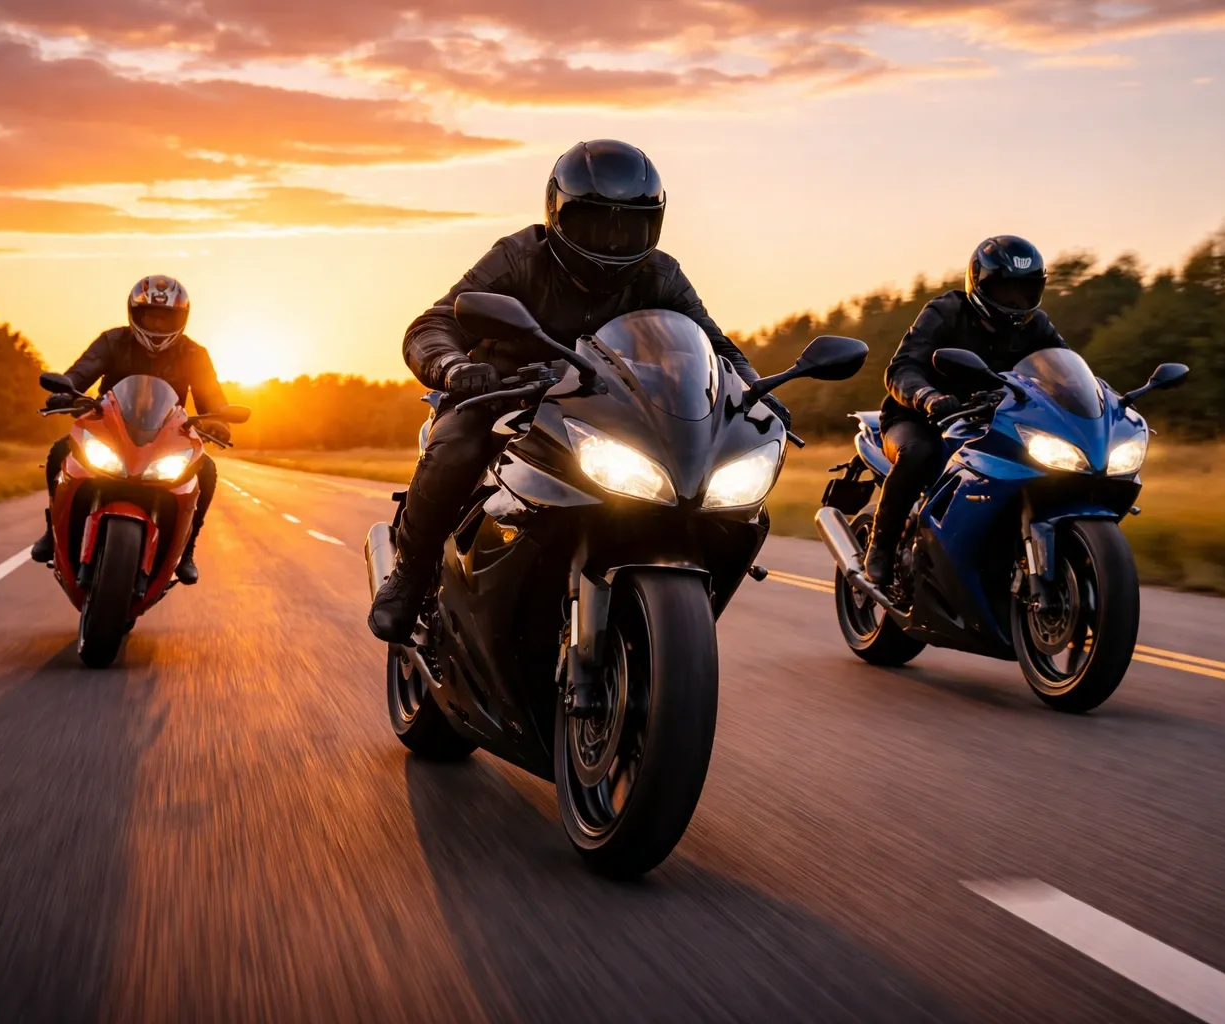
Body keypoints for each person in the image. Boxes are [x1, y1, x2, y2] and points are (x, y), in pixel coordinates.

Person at [368, 138, 790, 656]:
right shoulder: (519, 259)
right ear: (558, 214)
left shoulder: (661, 275)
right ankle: (411, 576)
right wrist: (457, 368)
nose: (612, 240)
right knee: (455, 446)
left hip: (604, 412)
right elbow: (433, 324)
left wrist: (753, 393)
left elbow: (716, 348)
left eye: (629, 226)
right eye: (595, 222)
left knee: (717, 491)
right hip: (506, 399)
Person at [864, 235, 1066, 585]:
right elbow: (901, 369)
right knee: (918, 453)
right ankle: (880, 546)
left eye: (1024, 291)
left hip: (992, 420)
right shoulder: (945, 313)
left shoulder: (1037, 327)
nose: (1015, 301)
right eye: (1005, 290)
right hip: (919, 417)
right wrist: (928, 396)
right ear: (980, 284)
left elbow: (1066, 371)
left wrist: (1100, 400)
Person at [29, 275, 228, 585]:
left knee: (207, 470)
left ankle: (187, 549)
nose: (158, 324)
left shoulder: (194, 354)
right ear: (135, 314)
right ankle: (51, 531)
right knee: (59, 451)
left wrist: (219, 420)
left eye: (166, 318)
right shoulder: (113, 341)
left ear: (181, 319)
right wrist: (67, 391)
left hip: (168, 433)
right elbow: (81, 372)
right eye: (151, 316)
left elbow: (211, 396)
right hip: (108, 425)